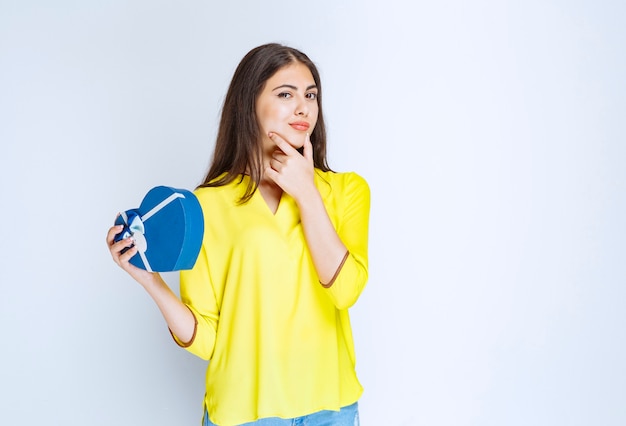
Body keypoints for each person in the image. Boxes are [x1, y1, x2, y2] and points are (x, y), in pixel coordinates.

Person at [106, 43, 370, 426]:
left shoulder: (347, 191)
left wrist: (308, 194)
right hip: (245, 415)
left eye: (311, 95)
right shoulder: (206, 205)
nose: (303, 108)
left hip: (331, 410)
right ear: (249, 103)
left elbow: (346, 291)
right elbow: (209, 338)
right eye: (286, 94)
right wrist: (150, 280)